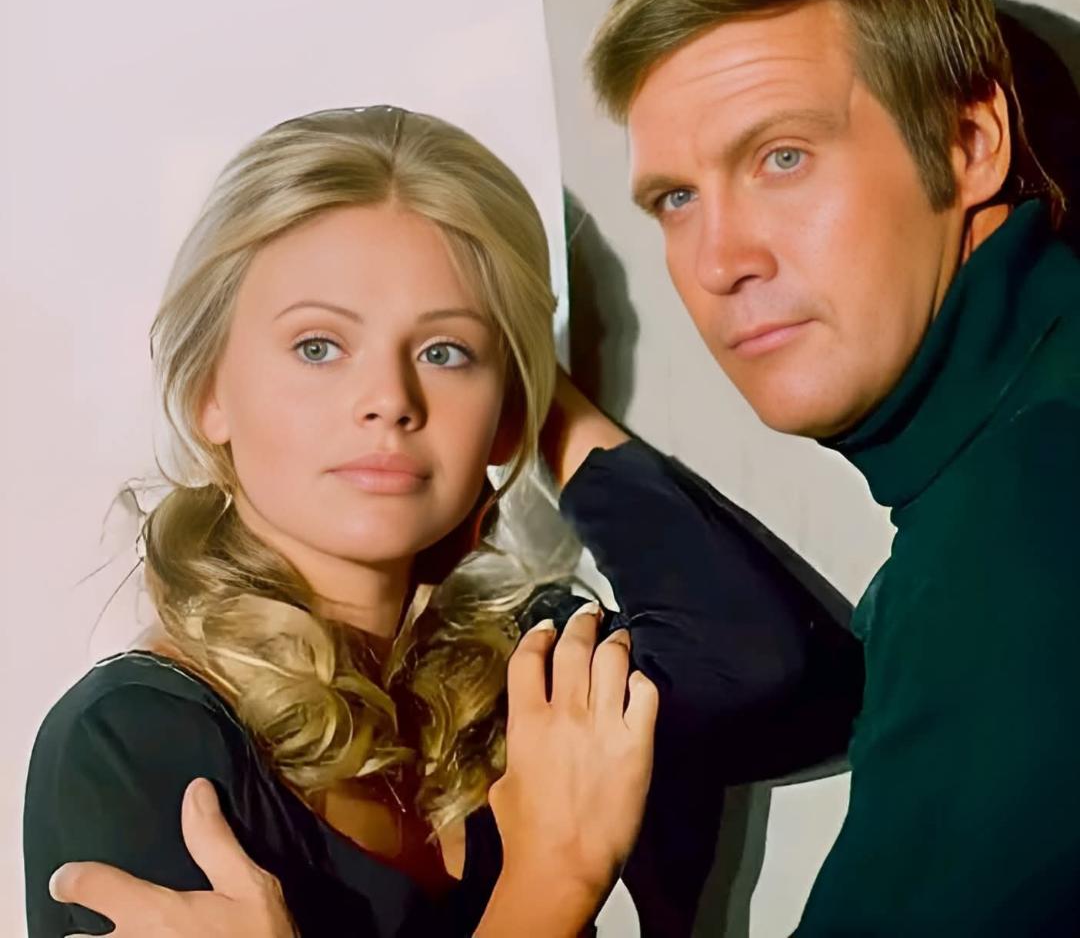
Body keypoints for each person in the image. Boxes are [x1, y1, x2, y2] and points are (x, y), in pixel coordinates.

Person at [31, 106, 861, 937]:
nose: (390, 399)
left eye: (444, 353)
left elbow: (794, 680)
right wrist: (555, 878)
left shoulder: (525, 676)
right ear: (209, 391)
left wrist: (535, 398)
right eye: (318, 346)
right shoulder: (135, 745)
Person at [585, 0, 1080, 932]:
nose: (720, 260)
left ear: (971, 142)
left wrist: (544, 889)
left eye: (782, 157)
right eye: (675, 198)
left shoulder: (1024, 514)